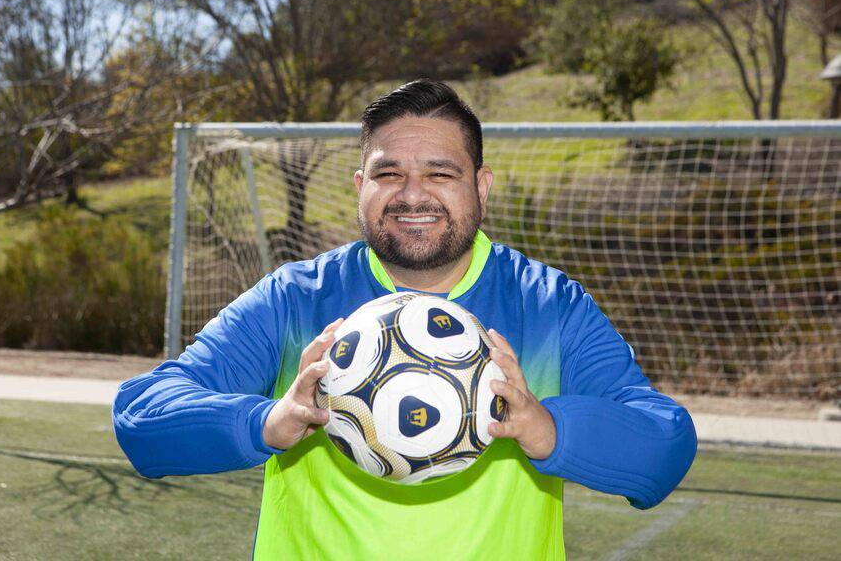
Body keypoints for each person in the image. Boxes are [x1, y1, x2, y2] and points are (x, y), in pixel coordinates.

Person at [113, 79, 697, 560]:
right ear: (360, 186)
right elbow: (142, 418)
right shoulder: (296, 299)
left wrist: (549, 429)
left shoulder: (548, 305)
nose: (412, 195)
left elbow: (664, 449)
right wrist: (269, 421)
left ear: (481, 187)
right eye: (389, 174)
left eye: (441, 174)